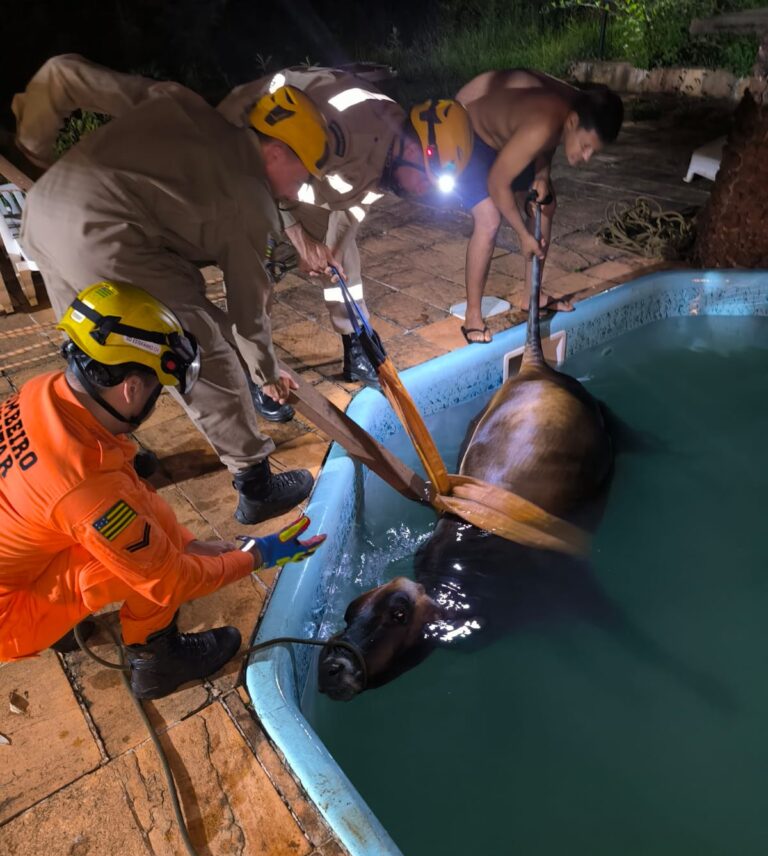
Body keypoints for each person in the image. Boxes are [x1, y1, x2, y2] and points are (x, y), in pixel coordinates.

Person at [12, 55, 473, 401]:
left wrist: (328, 247)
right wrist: (296, 233)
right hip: (251, 163)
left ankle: (352, 340)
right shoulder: (341, 121)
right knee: (253, 273)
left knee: (340, 262)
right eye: (427, 183)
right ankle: (258, 375)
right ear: (416, 149)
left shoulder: (394, 165)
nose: (423, 195)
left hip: (292, 184)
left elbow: (355, 207)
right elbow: (277, 151)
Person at [16, 61, 330, 524]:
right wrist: (265, 371)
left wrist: (33, 139)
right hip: (106, 235)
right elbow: (248, 312)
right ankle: (255, 482)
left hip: (44, 212)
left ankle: (107, 454)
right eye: (303, 177)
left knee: (100, 351)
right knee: (197, 348)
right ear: (277, 153)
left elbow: (64, 73)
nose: (300, 191)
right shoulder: (251, 201)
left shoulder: (185, 105)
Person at [0, 281, 325, 699]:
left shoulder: (43, 392)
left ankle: (58, 615)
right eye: (157, 387)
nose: (157, 398)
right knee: (139, 570)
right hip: (7, 617)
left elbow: (128, 495)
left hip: (22, 546)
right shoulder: (82, 485)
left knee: (141, 529)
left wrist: (196, 544)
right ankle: (158, 662)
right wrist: (259, 555)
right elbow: (169, 581)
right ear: (131, 387)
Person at [453, 69, 624, 342]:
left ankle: (532, 296)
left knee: (545, 203)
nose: (586, 156)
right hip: (470, 136)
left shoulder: (572, 104)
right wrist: (523, 235)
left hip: (510, 138)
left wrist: (542, 174)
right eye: (585, 146)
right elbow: (498, 183)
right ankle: (473, 317)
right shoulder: (543, 124)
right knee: (489, 219)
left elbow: (550, 140)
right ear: (573, 122)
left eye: (593, 151)